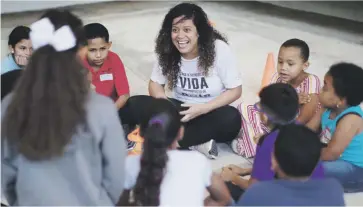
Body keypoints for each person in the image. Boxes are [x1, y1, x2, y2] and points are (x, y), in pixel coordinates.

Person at [1, 9, 126, 206]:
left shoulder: (10, 106)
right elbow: (116, 173)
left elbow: (6, 172)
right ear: (78, 53)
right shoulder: (101, 108)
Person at [144, 2, 242, 159]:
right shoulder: (167, 49)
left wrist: (204, 108)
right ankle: (196, 142)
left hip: (211, 110)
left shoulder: (219, 49)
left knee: (232, 118)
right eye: (175, 30)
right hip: (180, 108)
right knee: (137, 103)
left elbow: (235, 90)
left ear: (199, 33)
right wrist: (166, 106)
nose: (180, 36)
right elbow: (155, 83)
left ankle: (169, 141)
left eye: (187, 30)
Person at [117, 98, 231, 206]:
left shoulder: (129, 165)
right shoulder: (197, 161)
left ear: (140, 133)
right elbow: (223, 198)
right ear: (181, 132)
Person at [220, 83, 324, 201]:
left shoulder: (268, 142)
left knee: (224, 187)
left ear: (265, 115)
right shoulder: (306, 133)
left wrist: (233, 177)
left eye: (259, 107)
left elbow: (253, 188)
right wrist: (245, 171)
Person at [233, 38, 321, 158]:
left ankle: (252, 146)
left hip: (295, 130)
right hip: (275, 124)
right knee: (245, 108)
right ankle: (259, 143)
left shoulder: (311, 81)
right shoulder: (276, 78)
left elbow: (306, 116)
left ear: (305, 65)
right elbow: (266, 109)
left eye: (290, 64)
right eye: (280, 62)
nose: (283, 68)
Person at [237, 124, 345, 206]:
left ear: (273, 163)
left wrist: (232, 181)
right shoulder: (334, 189)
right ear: (317, 163)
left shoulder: (258, 193)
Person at [307, 62, 363, 192]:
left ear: (341, 100)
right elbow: (307, 130)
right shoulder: (326, 109)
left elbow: (331, 154)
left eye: (325, 89)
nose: (320, 91)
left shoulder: (351, 119)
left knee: (304, 170)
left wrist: (304, 157)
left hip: (354, 168)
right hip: (331, 157)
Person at [83, 23, 130, 109]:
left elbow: (124, 95)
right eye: (92, 50)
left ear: (109, 45)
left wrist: (108, 114)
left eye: (103, 49)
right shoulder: (76, 64)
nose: (98, 55)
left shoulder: (114, 59)